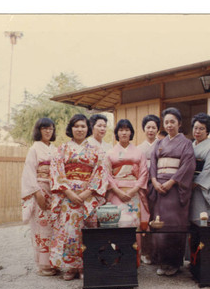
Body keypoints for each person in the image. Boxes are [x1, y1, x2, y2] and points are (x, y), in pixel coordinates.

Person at [49, 114, 108, 280]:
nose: (80, 129)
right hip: (68, 196)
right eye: (76, 126)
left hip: (88, 196)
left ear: (88, 128)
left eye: (83, 126)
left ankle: (85, 265)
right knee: (69, 231)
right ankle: (70, 267)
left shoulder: (96, 151)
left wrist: (87, 192)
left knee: (87, 230)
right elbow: (56, 172)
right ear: (71, 129)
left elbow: (100, 173)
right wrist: (68, 192)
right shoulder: (61, 149)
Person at [149, 107, 196, 276]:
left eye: (172, 122)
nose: (169, 125)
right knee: (159, 224)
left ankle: (174, 263)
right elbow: (153, 164)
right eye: (166, 122)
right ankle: (162, 261)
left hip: (175, 188)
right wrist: (154, 181)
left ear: (179, 123)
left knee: (174, 224)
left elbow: (187, 166)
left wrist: (171, 182)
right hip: (159, 187)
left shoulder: (186, 143)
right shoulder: (159, 143)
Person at [106, 119, 149, 263]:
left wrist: (135, 189)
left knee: (134, 225)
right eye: (121, 130)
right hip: (116, 193)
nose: (124, 132)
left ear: (131, 132)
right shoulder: (110, 153)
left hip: (134, 192)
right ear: (116, 133)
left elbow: (144, 172)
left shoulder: (138, 152)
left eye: (127, 130)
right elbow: (107, 174)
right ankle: (118, 259)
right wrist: (118, 191)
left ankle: (134, 261)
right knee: (118, 224)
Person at [21, 118, 58, 277]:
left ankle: (54, 261)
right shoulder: (34, 149)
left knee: (54, 227)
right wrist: (37, 193)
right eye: (44, 128)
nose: (48, 131)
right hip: (40, 188)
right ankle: (42, 265)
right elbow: (29, 173)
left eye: (50, 128)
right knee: (41, 226)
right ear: (39, 130)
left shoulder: (56, 149)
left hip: (55, 190)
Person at [136, 114, 161, 264]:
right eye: (148, 127)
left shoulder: (162, 145)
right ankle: (145, 252)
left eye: (154, 127)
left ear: (158, 129)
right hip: (144, 186)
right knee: (145, 219)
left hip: (159, 184)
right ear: (144, 129)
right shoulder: (139, 149)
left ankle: (157, 252)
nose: (151, 130)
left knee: (158, 218)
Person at [189, 113, 210, 222]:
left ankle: (201, 239)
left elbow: (209, 170)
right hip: (189, 186)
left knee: (200, 218)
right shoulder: (190, 145)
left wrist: (195, 183)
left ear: (207, 131)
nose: (197, 131)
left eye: (201, 129)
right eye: (195, 128)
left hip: (201, 189)